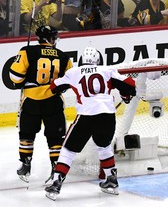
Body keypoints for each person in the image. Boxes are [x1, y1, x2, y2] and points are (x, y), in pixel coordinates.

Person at [44, 47, 136, 201]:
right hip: (107, 115)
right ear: (99, 59)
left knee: (68, 149)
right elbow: (130, 84)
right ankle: (111, 181)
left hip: (86, 115)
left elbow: (54, 87)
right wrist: (125, 95)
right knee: (104, 146)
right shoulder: (107, 69)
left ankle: (56, 183)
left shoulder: (74, 72)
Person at [9, 25, 73, 183]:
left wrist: (23, 81)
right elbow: (68, 81)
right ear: (49, 38)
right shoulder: (63, 56)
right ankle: (56, 168)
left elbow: (15, 77)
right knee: (56, 137)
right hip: (53, 102)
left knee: (26, 134)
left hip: (31, 102)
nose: (56, 40)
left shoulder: (27, 51)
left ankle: (25, 165)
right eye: (54, 37)